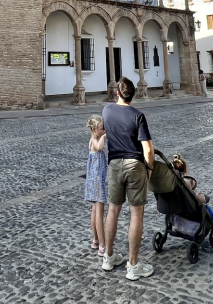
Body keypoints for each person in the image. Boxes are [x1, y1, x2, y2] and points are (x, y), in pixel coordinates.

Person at [101, 77, 154, 280]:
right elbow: (147, 148)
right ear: (134, 95)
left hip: (114, 164)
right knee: (136, 214)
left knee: (113, 210)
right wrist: (149, 167)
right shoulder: (137, 115)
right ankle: (133, 265)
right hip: (134, 165)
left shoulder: (106, 111)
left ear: (117, 93)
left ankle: (108, 256)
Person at [84, 114, 108, 255]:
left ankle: (95, 240)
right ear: (94, 129)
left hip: (94, 180)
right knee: (99, 212)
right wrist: (104, 138)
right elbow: (99, 148)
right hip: (97, 181)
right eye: (101, 128)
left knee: (94, 211)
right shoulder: (94, 140)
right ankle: (102, 245)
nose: (104, 130)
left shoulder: (94, 139)